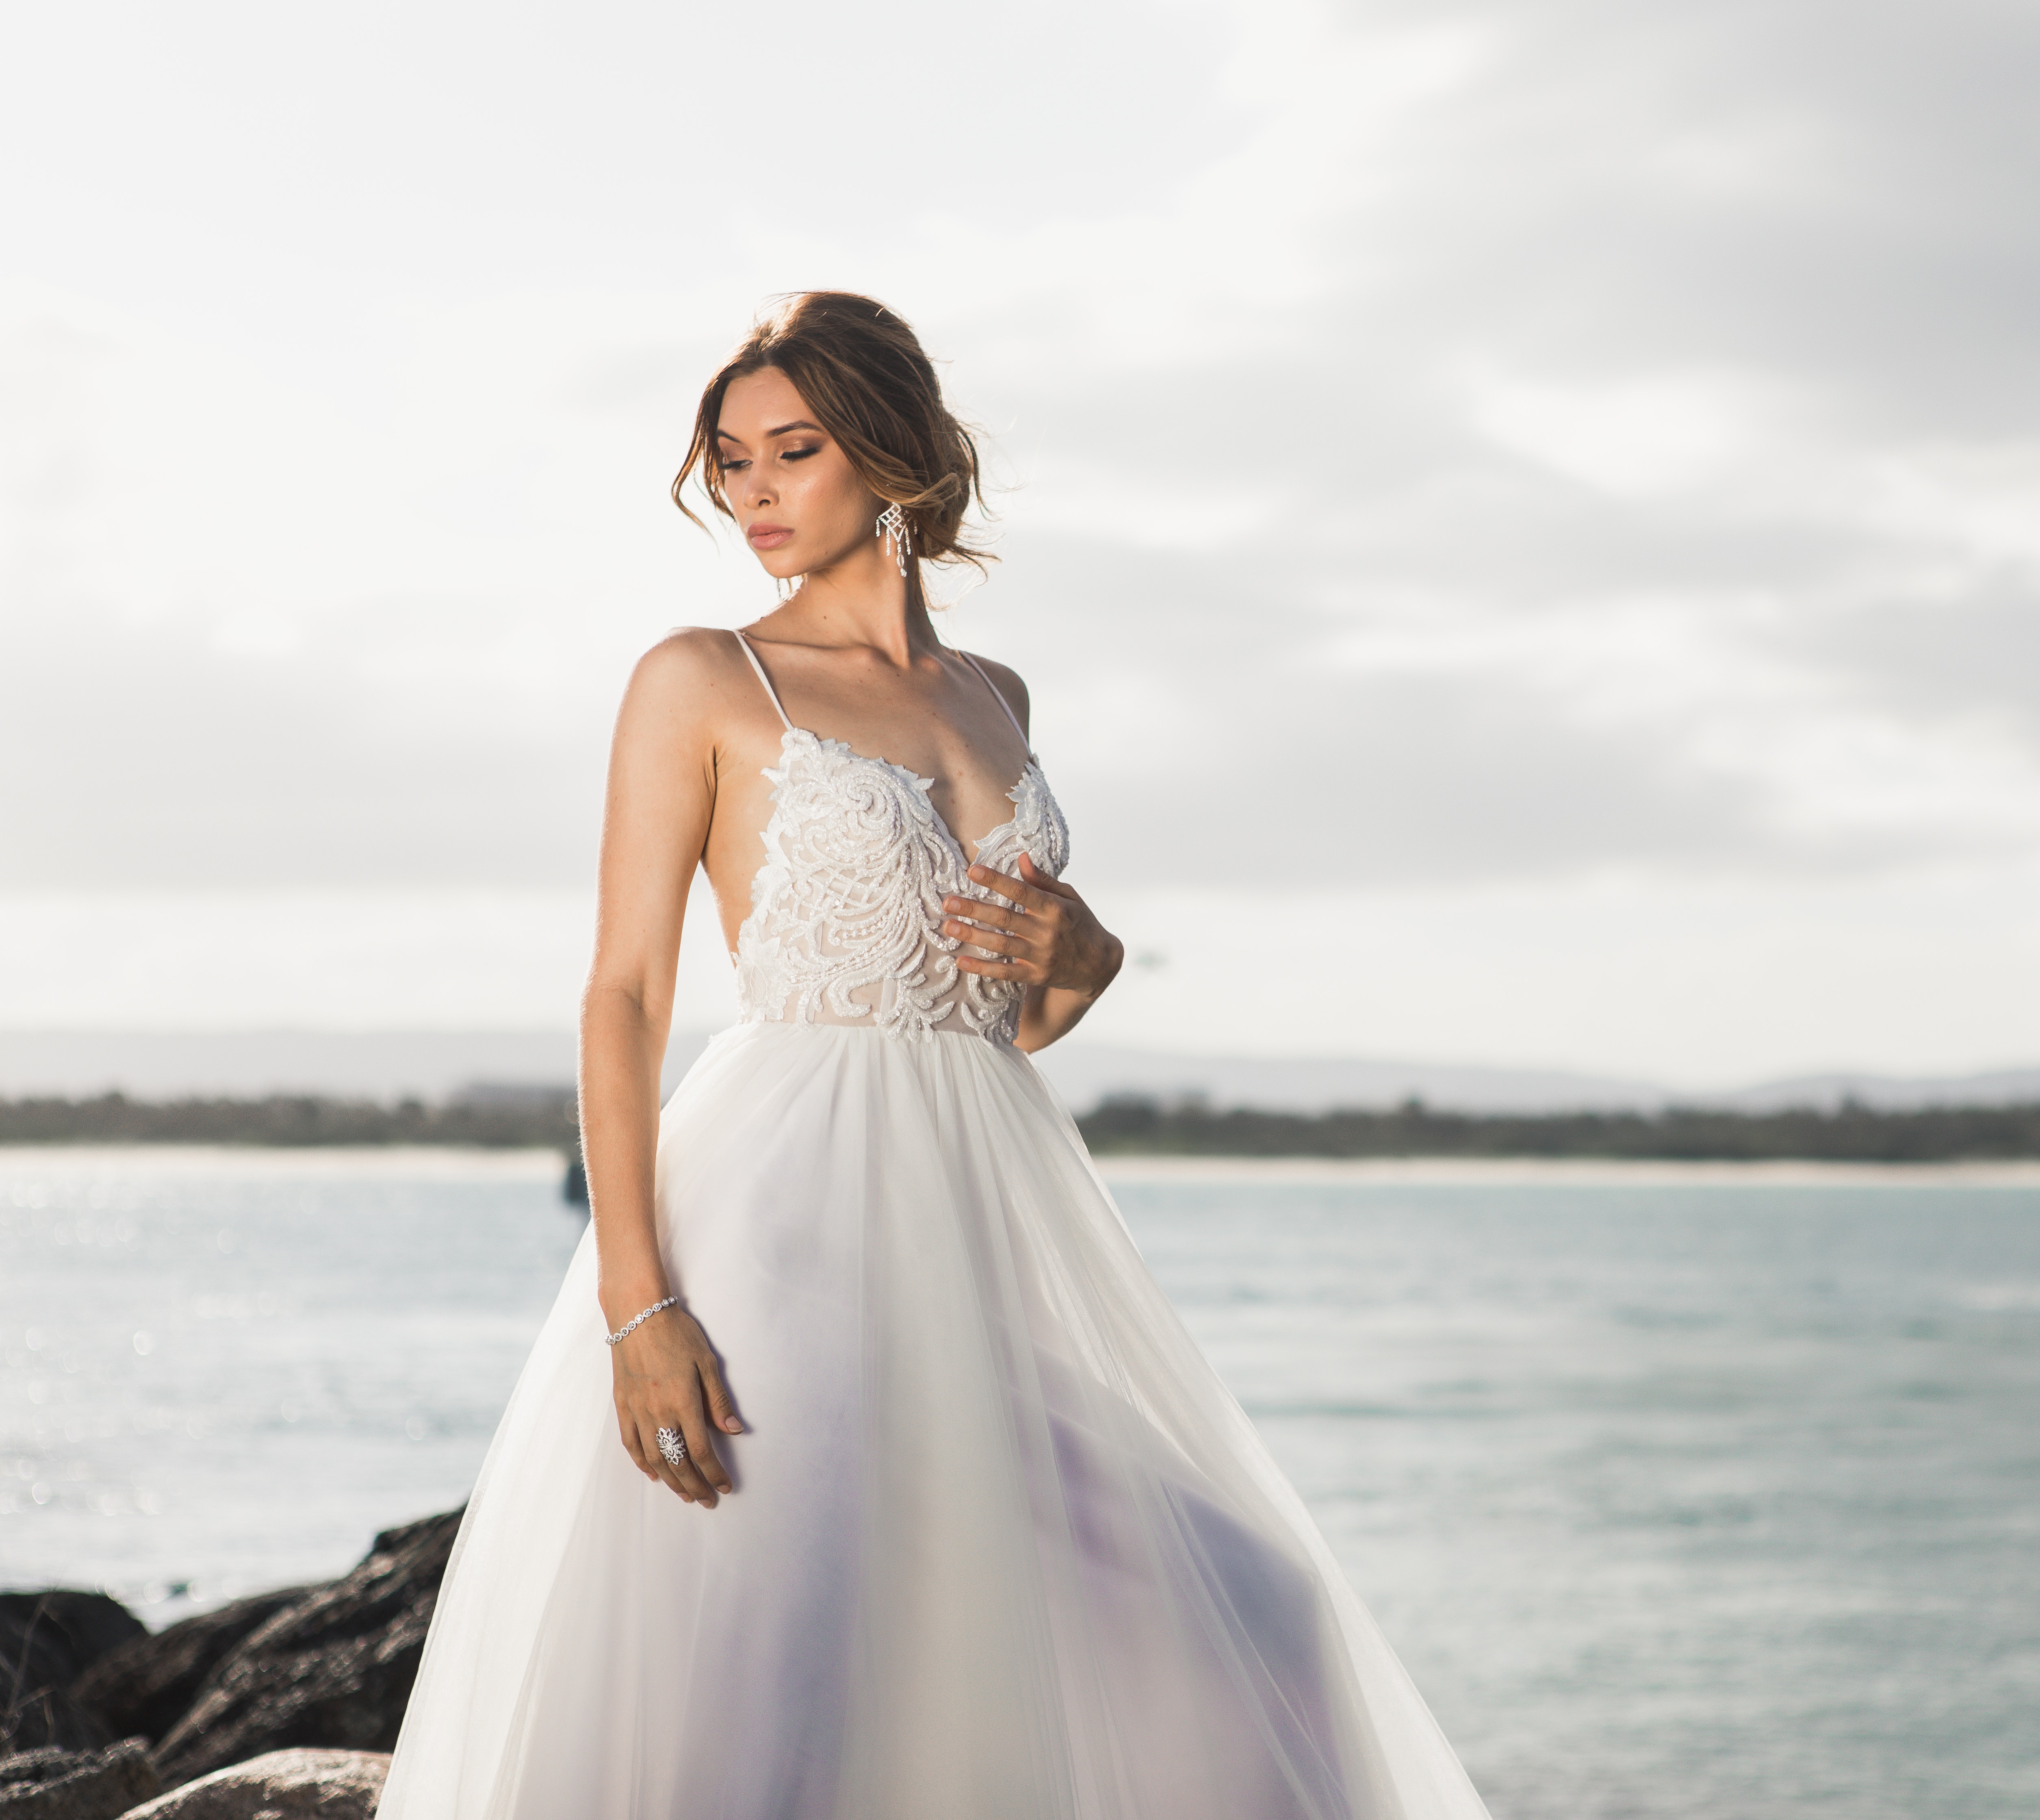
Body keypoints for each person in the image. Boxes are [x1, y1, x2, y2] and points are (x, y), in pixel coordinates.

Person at [378, 292, 1491, 1819]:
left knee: (1258, 1613)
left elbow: (1014, 1010)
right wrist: (638, 1302)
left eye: (795, 451)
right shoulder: (705, 679)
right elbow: (624, 996)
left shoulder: (996, 698)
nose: (756, 493)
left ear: (892, 455)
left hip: (974, 1233)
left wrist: (1085, 960)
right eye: (733, 461)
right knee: (779, 1682)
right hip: (781, 1223)